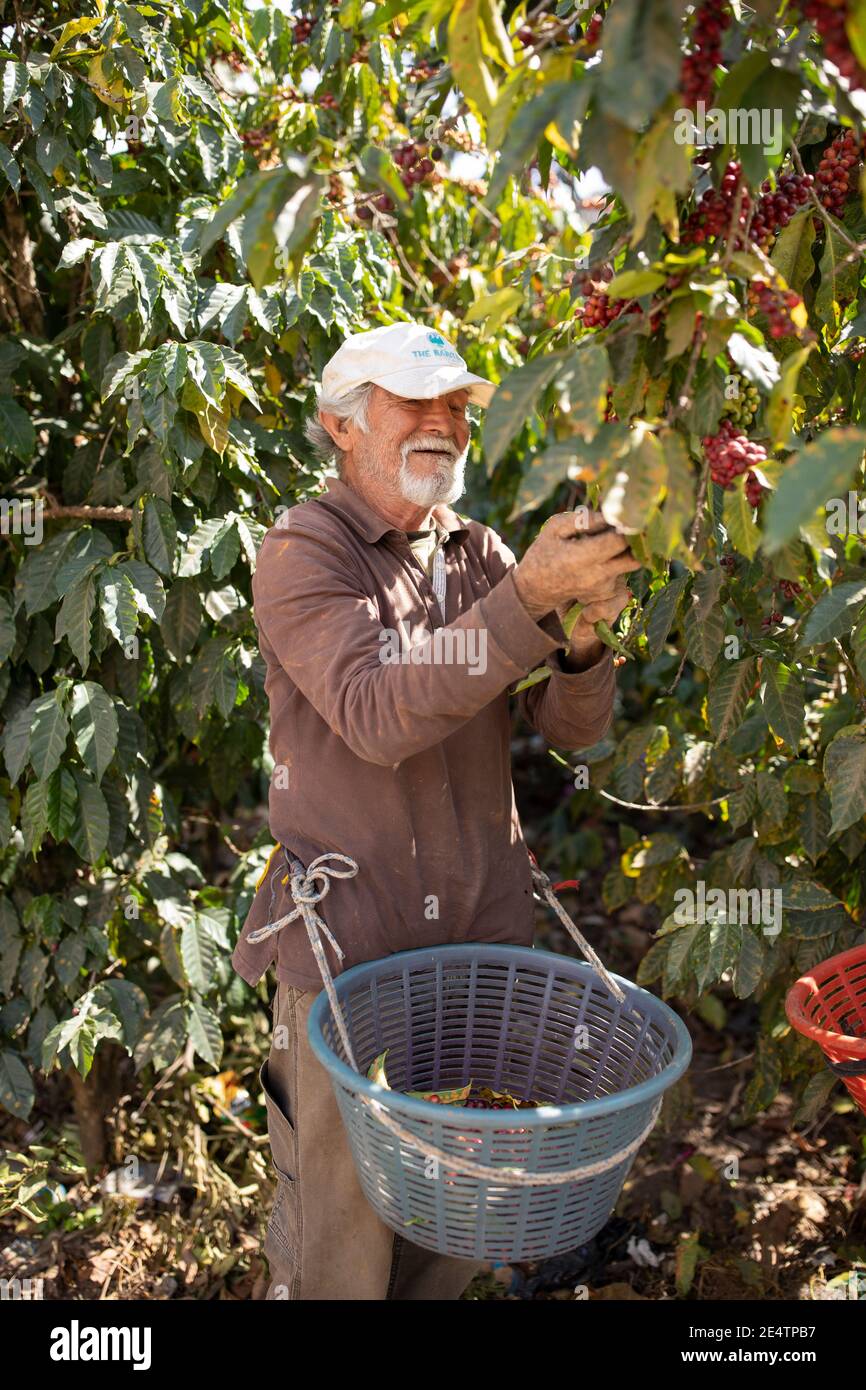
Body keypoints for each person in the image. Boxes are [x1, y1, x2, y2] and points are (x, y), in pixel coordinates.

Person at [231, 321, 636, 1300]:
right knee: (340, 1246)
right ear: (340, 422)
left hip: (477, 951)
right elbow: (377, 713)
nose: (444, 424)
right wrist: (524, 598)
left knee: (454, 1223)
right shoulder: (302, 552)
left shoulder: (474, 548)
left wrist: (579, 645)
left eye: (456, 405)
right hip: (346, 959)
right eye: (415, 402)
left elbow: (568, 731)